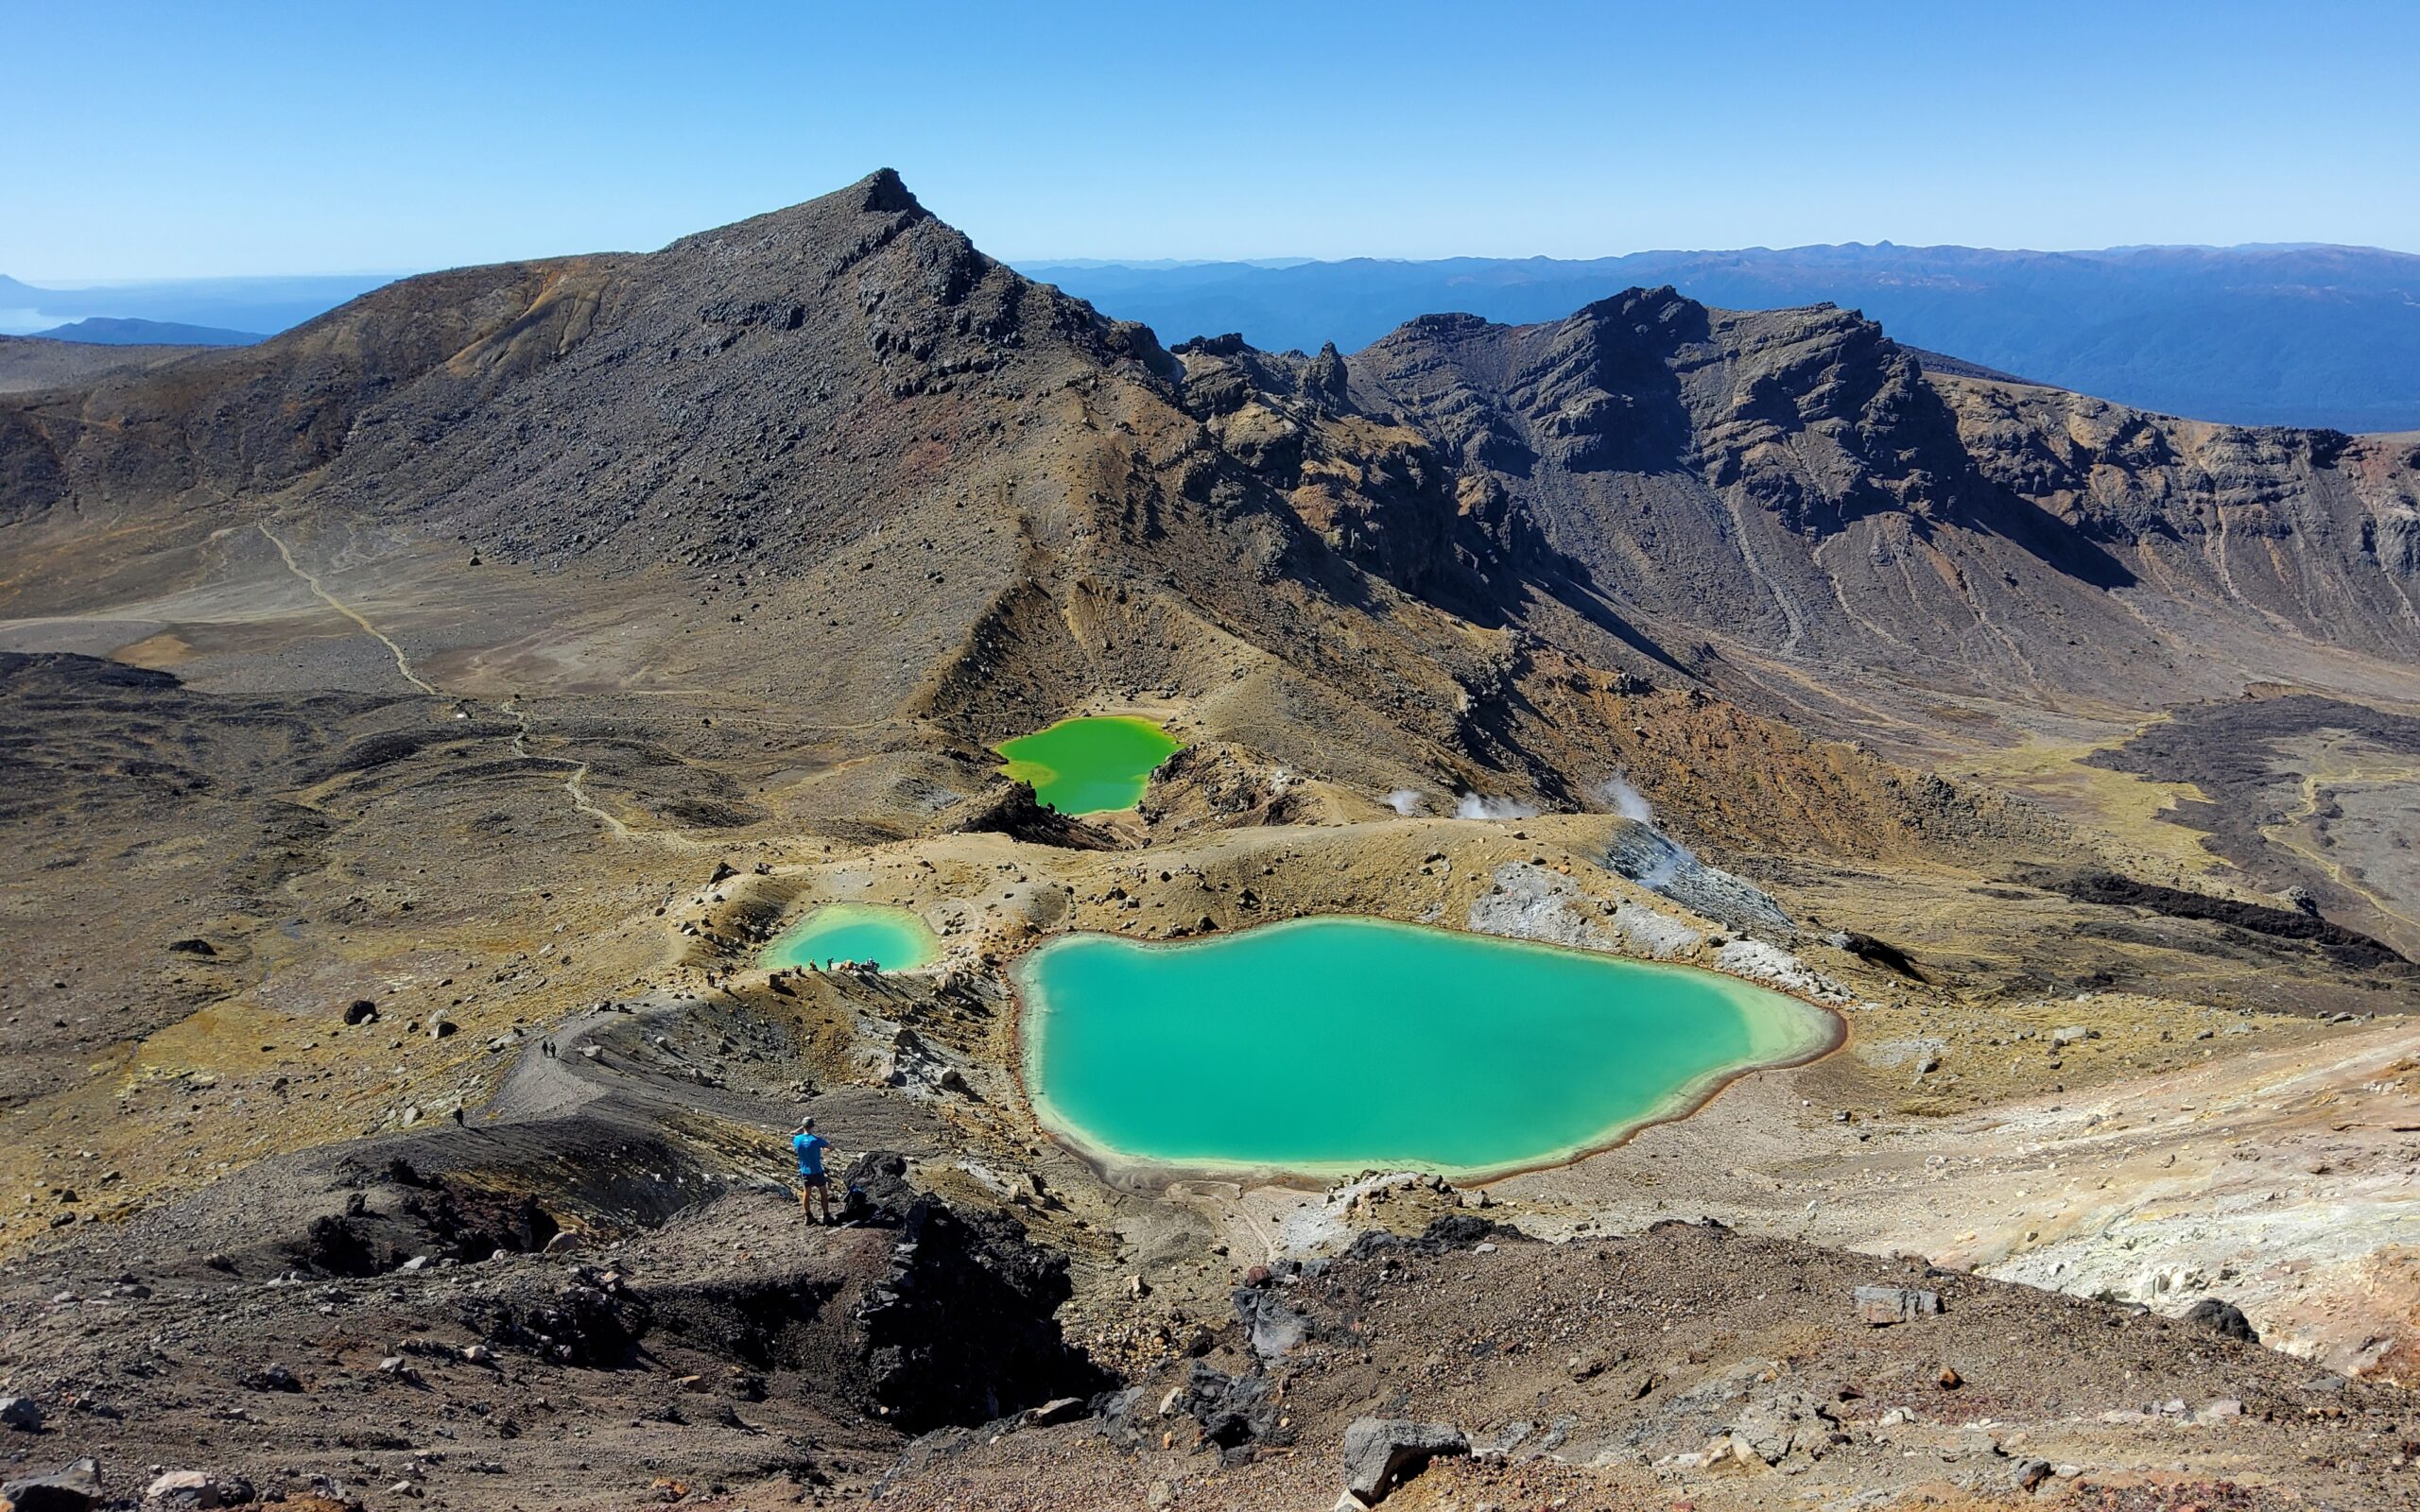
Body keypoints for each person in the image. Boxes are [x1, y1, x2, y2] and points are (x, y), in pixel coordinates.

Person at [791, 1116, 835, 1224]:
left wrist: (800, 1129)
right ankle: (826, 1215)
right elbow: (831, 1147)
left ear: (803, 1126)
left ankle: (808, 1216)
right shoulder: (816, 1140)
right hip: (817, 1171)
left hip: (805, 1171)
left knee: (807, 1193)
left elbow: (792, 1134)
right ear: (812, 1126)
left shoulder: (797, 1140)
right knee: (823, 1192)